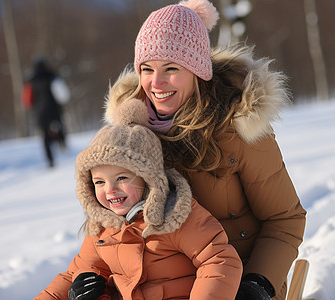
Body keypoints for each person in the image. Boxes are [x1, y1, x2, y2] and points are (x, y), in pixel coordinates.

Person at [103, 0, 307, 299]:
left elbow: (284, 218)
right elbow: (111, 222)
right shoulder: (130, 137)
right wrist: (93, 274)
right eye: (146, 69)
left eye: (170, 68)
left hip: (237, 281)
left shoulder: (238, 127)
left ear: (197, 71)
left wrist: (258, 283)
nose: (156, 83)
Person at [35, 99, 243, 300]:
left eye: (122, 178)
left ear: (148, 178)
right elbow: (78, 272)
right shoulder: (102, 227)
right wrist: (82, 286)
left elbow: (218, 260)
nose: (110, 190)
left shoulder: (175, 215)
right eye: (99, 182)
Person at [23, 57, 70, 168]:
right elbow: (63, 95)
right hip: (54, 110)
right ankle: (61, 141)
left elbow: (27, 100)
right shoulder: (52, 77)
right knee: (58, 126)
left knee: (44, 135)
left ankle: (50, 160)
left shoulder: (31, 81)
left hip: (40, 113)